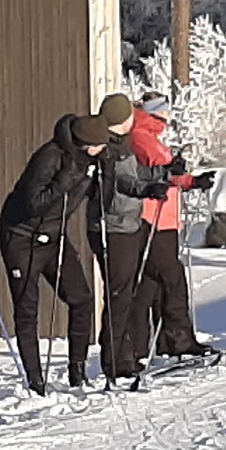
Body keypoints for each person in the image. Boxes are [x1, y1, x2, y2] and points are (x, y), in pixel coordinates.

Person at [0, 113, 100, 390]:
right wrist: (62, 183)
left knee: (81, 299)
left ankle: (77, 371)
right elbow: (33, 203)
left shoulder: (91, 162)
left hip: (54, 236)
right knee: (27, 309)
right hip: (22, 236)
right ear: (88, 145)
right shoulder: (50, 157)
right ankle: (35, 379)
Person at [129, 106, 214, 371]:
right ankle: (179, 342)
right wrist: (174, 170)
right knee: (171, 278)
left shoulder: (151, 137)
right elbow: (159, 173)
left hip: (165, 219)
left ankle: (143, 346)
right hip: (153, 218)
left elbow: (169, 173)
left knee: (151, 285)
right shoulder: (141, 137)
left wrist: (191, 182)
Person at [92, 92, 163, 390]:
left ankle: (125, 354)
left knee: (128, 292)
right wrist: (147, 189)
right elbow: (123, 182)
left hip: (127, 224)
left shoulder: (121, 144)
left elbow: (136, 174)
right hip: (114, 227)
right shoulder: (109, 149)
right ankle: (114, 360)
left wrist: (163, 174)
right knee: (119, 294)